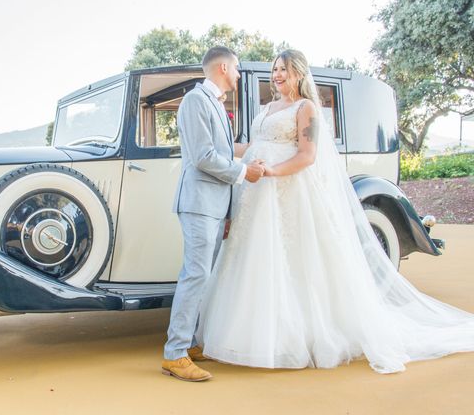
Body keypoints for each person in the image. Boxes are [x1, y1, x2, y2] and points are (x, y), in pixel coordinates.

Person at [196, 49, 474, 374]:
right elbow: (252, 146)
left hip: (285, 192)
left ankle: (293, 339)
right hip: (256, 195)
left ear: (298, 72)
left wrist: (270, 172)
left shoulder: (306, 108)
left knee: (292, 262)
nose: (277, 75)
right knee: (254, 260)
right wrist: (219, 149)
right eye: (275, 70)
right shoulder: (268, 108)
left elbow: (307, 155)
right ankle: (248, 334)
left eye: (283, 69)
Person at [162, 46, 265, 382]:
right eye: (236, 68)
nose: (238, 74)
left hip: (216, 206)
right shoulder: (195, 101)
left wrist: (259, 149)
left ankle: (189, 343)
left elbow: (223, 150)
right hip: (199, 204)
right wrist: (244, 172)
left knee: (203, 276)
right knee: (194, 275)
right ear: (223, 67)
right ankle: (175, 355)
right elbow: (203, 157)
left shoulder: (217, 105)